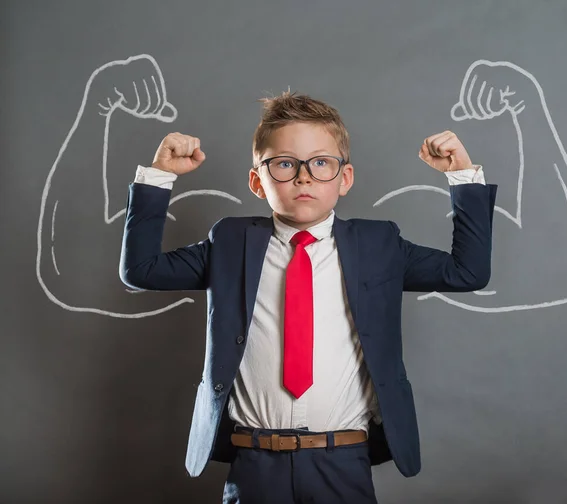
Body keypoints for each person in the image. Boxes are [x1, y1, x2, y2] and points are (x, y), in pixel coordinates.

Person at [120, 91, 496, 503]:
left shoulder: (379, 244)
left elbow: (468, 272)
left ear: (344, 178)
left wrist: (461, 174)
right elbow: (142, 271)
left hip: (342, 460)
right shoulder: (229, 242)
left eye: (321, 163)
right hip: (254, 462)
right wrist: (159, 175)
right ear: (256, 182)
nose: (303, 177)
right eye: (284, 164)